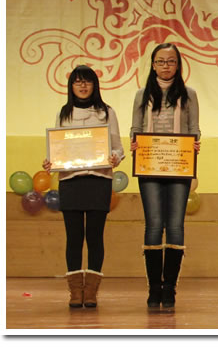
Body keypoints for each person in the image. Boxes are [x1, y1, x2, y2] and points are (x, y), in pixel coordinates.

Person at [42, 65, 124, 308]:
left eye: (87, 81)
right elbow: (57, 147)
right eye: (77, 81)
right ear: (71, 86)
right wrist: (51, 161)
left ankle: (91, 292)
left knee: (95, 236)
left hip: (99, 180)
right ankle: (75, 292)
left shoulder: (107, 112)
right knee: (74, 237)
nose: (82, 85)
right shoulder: (64, 112)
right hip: (70, 181)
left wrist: (115, 158)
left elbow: (118, 147)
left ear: (94, 85)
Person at [131, 43, 201, 308]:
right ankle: (154, 288)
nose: (166, 66)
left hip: (178, 166)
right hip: (149, 166)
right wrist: (135, 144)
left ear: (178, 65)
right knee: (153, 224)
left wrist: (194, 144)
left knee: (175, 225)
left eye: (171, 61)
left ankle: (170, 288)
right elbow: (135, 128)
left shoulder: (189, 94)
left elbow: (194, 128)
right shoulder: (142, 95)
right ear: (153, 65)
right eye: (161, 61)